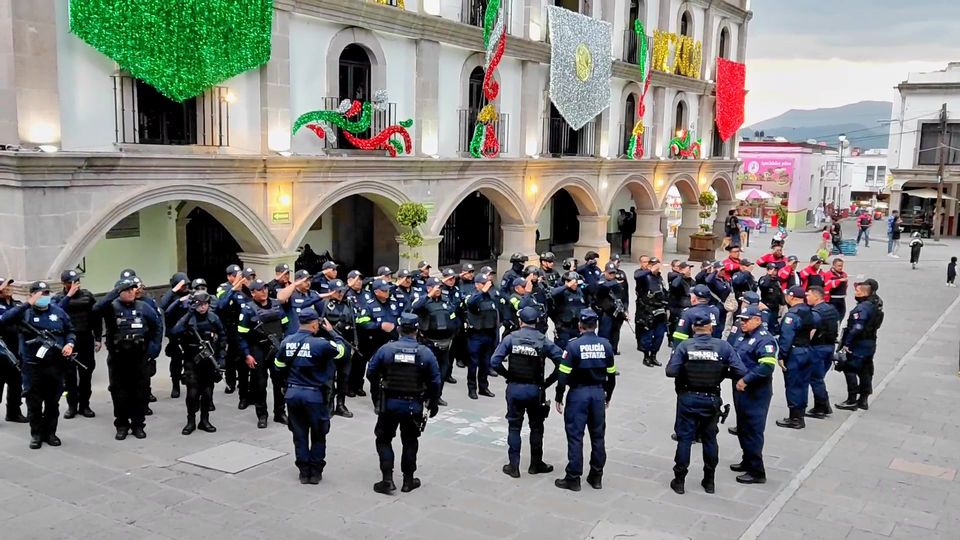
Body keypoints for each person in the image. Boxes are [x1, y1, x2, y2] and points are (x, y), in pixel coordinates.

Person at [666, 312, 746, 494]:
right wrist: (721, 370)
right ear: (711, 328)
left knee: (685, 439)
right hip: (711, 399)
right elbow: (740, 370)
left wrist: (686, 368)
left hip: (688, 396)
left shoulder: (685, 346)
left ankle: (679, 481)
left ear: (694, 328)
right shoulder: (723, 347)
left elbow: (671, 371)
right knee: (710, 439)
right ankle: (709, 481)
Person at [367, 313, 441, 494]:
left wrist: (377, 393)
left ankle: (387, 480)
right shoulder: (425, 352)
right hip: (413, 404)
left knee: (384, 439)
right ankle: (408, 480)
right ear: (417, 330)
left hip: (389, 403)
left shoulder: (386, 350)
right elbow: (436, 381)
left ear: (399, 329)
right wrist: (432, 402)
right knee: (410, 441)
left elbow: (371, 373)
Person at [0, 281, 76, 449]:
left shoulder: (58, 312)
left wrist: (69, 344)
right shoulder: (24, 312)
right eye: (41, 294)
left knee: (52, 402)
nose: (45, 297)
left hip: (55, 365)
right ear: (33, 295)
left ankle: (50, 433)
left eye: (47, 293)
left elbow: (70, 330)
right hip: (32, 366)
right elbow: (4, 319)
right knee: (34, 403)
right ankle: (36, 434)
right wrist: (28, 303)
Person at [491, 306, 565, 478]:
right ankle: (535, 464)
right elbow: (562, 362)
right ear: (537, 322)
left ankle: (514, 466)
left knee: (514, 427)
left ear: (520, 321)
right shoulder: (543, 340)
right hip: (535, 390)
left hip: (515, 388)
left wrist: (508, 375)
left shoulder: (511, 339)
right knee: (537, 427)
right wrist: (548, 382)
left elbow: (494, 362)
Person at [277, 308, 347, 484]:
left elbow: (278, 365)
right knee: (318, 433)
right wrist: (332, 331)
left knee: (299, 435)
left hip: (293, 393)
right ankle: (315, 472)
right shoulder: (321, 344)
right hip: (314, 395)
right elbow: (342, 351)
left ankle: (303, 471)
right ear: (316, 324)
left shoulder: (287, 341)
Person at [554, 309, 616, 491]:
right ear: (595, 325)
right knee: (598, 437)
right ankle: (596, 477)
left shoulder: (573, 346)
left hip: (578, 395)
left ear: (579, 325)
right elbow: (611, 375)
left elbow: (563, 375)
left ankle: (573, 478)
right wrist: (608, 395)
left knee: (575, 436)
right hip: (597, 394)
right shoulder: (606, 345)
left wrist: (559, 396)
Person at [94, 279, 163, 440]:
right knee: (119, 393)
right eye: (127, 290)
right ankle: (122, 425)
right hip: (118, 359)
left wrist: (154, 348)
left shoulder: (143, 307)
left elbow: (157, 327)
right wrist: (114, 292)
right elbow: (96, 309)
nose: (132, 292)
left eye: (133, 289)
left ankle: (138, 425)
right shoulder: (111, 307)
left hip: (139, 358)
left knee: (139, 392)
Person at [727, 306, 777, 484]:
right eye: (741, 319)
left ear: (758, 320)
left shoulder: (765, 340)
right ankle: (747, 460)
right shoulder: (743, 335)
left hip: (755, 391)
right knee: (743, 427)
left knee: (753, 429)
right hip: (741, 389)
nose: (742, 322)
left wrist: (746, 380)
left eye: (747, 320)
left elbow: (766, 366)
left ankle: (757, 471)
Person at [171, 291, 226, 435]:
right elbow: (175, 331)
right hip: (191, 360)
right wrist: (189, 314)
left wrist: (221, 358)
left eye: (205, 304)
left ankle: (204, 420)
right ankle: (191, 421)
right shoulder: (189, 319)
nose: (202, 308)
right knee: (192, 394)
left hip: (208, 362)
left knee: (207, 393)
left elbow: (222, 338)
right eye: (199, 305)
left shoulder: (213, 318)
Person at [237, 279, 290, 428]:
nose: (264, 291)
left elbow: (286, 326)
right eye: (260, 289)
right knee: (259, 385)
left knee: (279, 382)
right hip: (258, 350)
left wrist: (284, 345)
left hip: (277, 349)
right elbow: (242, 335)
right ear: (253, 293)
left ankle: (280, 413)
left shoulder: (277, 305)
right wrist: (247, 354)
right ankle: (262, 415)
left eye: (265, 288)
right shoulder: (248, 309)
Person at [55, 270, 101, 419]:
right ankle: (72, 406)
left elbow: (96, 317)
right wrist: (68, 296)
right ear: (65, 284)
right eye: (72, 282)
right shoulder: (59, 298)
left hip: (85, 338)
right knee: (69, 376)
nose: (76, 284)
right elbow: (56, 313)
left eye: (78, 281)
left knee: (86, 374)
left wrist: (98, 338)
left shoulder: (87, 296)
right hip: (68, 341)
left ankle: (85, 405)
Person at [407, 277, 458, 407]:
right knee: (426, 370)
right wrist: (428, 295)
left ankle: (436, 396)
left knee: (442, 370)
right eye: (436, 287)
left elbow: (452, 315)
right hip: (429, 342)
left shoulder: (445, 301)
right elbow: (414, 307)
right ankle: (423, 394)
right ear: (429, 288)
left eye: (440, 288)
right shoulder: (423, 300)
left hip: (445, 342)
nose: (438, 290)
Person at [836, 279, 883, 411]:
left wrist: (846, 344)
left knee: (849, 368)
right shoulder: (876, 303)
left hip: (859, 343)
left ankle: (852, 399)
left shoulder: (863, 308)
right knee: (865, 370)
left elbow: (857, 327)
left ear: (863, 293)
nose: (855, 292)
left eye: (857, 290)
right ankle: (863, 399)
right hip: (870, 341)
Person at [775, 287, 814, 430]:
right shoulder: (809, 310)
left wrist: (781, 356)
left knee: (793, 385)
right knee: (803, 384)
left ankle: (795, 418)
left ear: (791, 297)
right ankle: (800, 414)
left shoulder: (792, 315)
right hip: (807, 350)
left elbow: (786, 337)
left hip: (795, 353)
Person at [318, 280, 357, 418]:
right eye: (338, 291)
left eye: (342, 291)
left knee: (344, 377)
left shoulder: (349, 304)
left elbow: (353, 325)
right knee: (329, 377)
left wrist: (354, 344)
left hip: (346, 344)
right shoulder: (323, 304)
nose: (341, 293)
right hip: (329, 345)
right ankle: (329, 406)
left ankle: (341, 404)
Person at [355, 279, 400, 397]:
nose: (387, 292)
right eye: (384, 290)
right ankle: (377, 398)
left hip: (392, 342)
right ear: (376, 292)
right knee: (376, 372)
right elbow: (362, 321)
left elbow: (400, 318)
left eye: (388, 290)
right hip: (374, 343)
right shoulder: (369, 305)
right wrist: (379, 326)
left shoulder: (393, 303)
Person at [804, 286, 839, 420]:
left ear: (816, 296)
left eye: (809, 295)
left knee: (816, 378)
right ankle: (824, 405)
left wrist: (805, 343)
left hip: (817, 348)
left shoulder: (816, 312)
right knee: (819, 377)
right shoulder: (831, 309)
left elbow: (812, 331)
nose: (807, 297)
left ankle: (821, 407)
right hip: (829, 346)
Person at [463, 274, 500, 399]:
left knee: (485, 363)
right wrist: (482, 291)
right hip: (476, 335)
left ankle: (483, 387)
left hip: (488, 334)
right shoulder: (473, 295)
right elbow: (470, 303)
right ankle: (471, 388)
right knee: (473, 364)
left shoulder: (490, 297)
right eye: (483, 283)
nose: (486, 286)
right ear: (477, 284)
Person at [216, 264, 247, 399]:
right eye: (235, 276)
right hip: (229, 327)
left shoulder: (244, 289)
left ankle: (243, 382)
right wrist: (234, 289)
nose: (237, 278)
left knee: (242, 355)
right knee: (230, 357)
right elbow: (221, 304)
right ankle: (230, 382)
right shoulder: (223, 288)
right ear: (229, 276)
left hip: (242, 326)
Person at [159, 272, 192, 400]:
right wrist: (175, 291)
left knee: (189, 361)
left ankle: (189, 381)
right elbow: (162, 305)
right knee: (176, 361)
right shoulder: (170, 296)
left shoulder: (190, 295)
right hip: (174, 334)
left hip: (188, 333)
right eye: (182, 285)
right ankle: (175, 385)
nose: (185, 287)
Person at [0, 277, 27, 423]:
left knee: (16, 383)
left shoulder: (17, 304)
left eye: (10, 286)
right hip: (1, 352)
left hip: (16, 350)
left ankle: (14, 412)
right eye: (5, 286)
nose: (9, 288)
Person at [636, 258, 668, 367]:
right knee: (647, 335)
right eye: (654, 266)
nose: (657, 269)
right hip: (648, 311)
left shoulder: (659, 277)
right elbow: (637, 276)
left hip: (660, 310)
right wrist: (649, 270)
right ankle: (646, 357)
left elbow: (664, 292)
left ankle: (654, 355)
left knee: (659, 335)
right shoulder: (644, 276)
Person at [550, 271, 587, 350]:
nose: (575, 284)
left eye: (576, 282)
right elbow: (552, 293)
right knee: (563, 351)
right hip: (564, 327)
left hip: (577, 327)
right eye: (573, 282)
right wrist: (566, 286)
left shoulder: (580, 291)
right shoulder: (561, 292)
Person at [667, 262, 693, 346]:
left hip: (688, 307)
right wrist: (681, 275)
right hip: (677, 307)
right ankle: (674, 341)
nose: (689, 271)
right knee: (677, 326)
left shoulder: (691, 281)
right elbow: (674, 285)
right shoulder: (676, 279)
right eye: (688, 269)